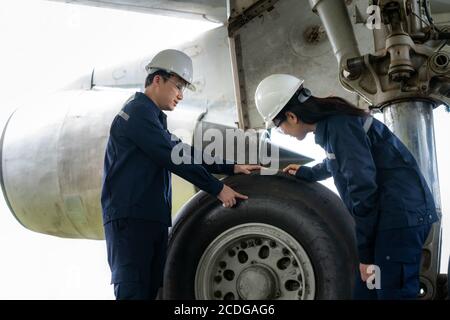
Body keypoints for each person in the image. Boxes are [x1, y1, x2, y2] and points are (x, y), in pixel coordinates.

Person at [254, 74, 439, 300]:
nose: (282, 132)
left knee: (393, 295)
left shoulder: (340, 126)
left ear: (291, 116)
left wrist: (366, 254)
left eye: (278, 125)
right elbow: (342, 162)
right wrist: (309, 173)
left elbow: (363, 189)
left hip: (399, 220)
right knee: (365, 293)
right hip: (391, 217)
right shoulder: (336, 125)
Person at [101, 49, 261, 300]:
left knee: (155, 292)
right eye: (178, 86)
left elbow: (183, 152)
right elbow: (172, 156)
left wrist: (230, 167)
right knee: (134, 290)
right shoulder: (136, 114)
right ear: (157, 80)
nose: (181, 96)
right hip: (131, 221)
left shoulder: (152, 118)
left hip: (150, 219)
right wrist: (217, 188)